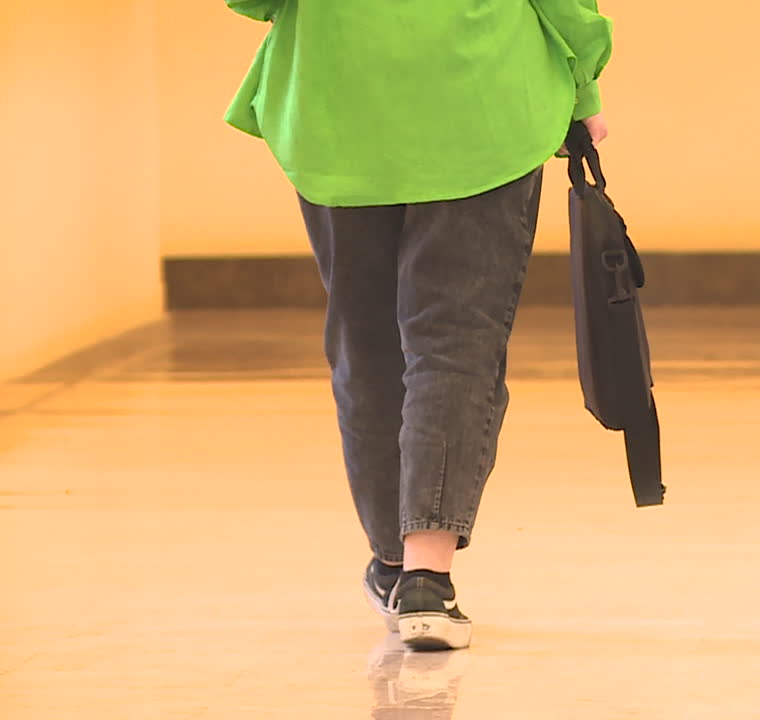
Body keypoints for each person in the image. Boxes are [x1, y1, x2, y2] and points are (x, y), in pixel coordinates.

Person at [223, 0, 612, 651]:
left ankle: (394, 563)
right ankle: (427, 575)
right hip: (482, 101)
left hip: (338, 106)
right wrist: (584, 80)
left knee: (366, 345)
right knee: (456, 339)